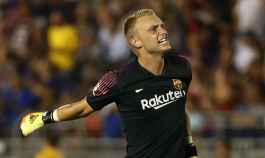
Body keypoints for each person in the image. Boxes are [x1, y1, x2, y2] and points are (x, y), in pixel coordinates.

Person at [20, 9, 198, 158]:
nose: (163, 32)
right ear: (136, 41)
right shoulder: (118, 79)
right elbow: (82, 108)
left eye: (162, 26)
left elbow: (179, 110)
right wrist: (44, 118)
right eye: (153, 29)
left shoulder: (182, 67)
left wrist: (191, 149)